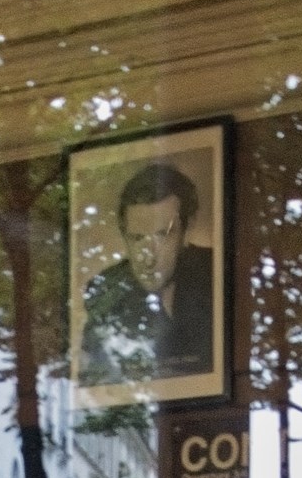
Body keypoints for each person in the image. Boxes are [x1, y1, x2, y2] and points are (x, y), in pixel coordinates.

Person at [80, 158, 217, 387]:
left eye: (163, 235)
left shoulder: (215, 273)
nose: (148, 257)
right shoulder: (106, 294)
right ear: (124, 235)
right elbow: (97, 383)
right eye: (136, 238)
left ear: (187, 228)